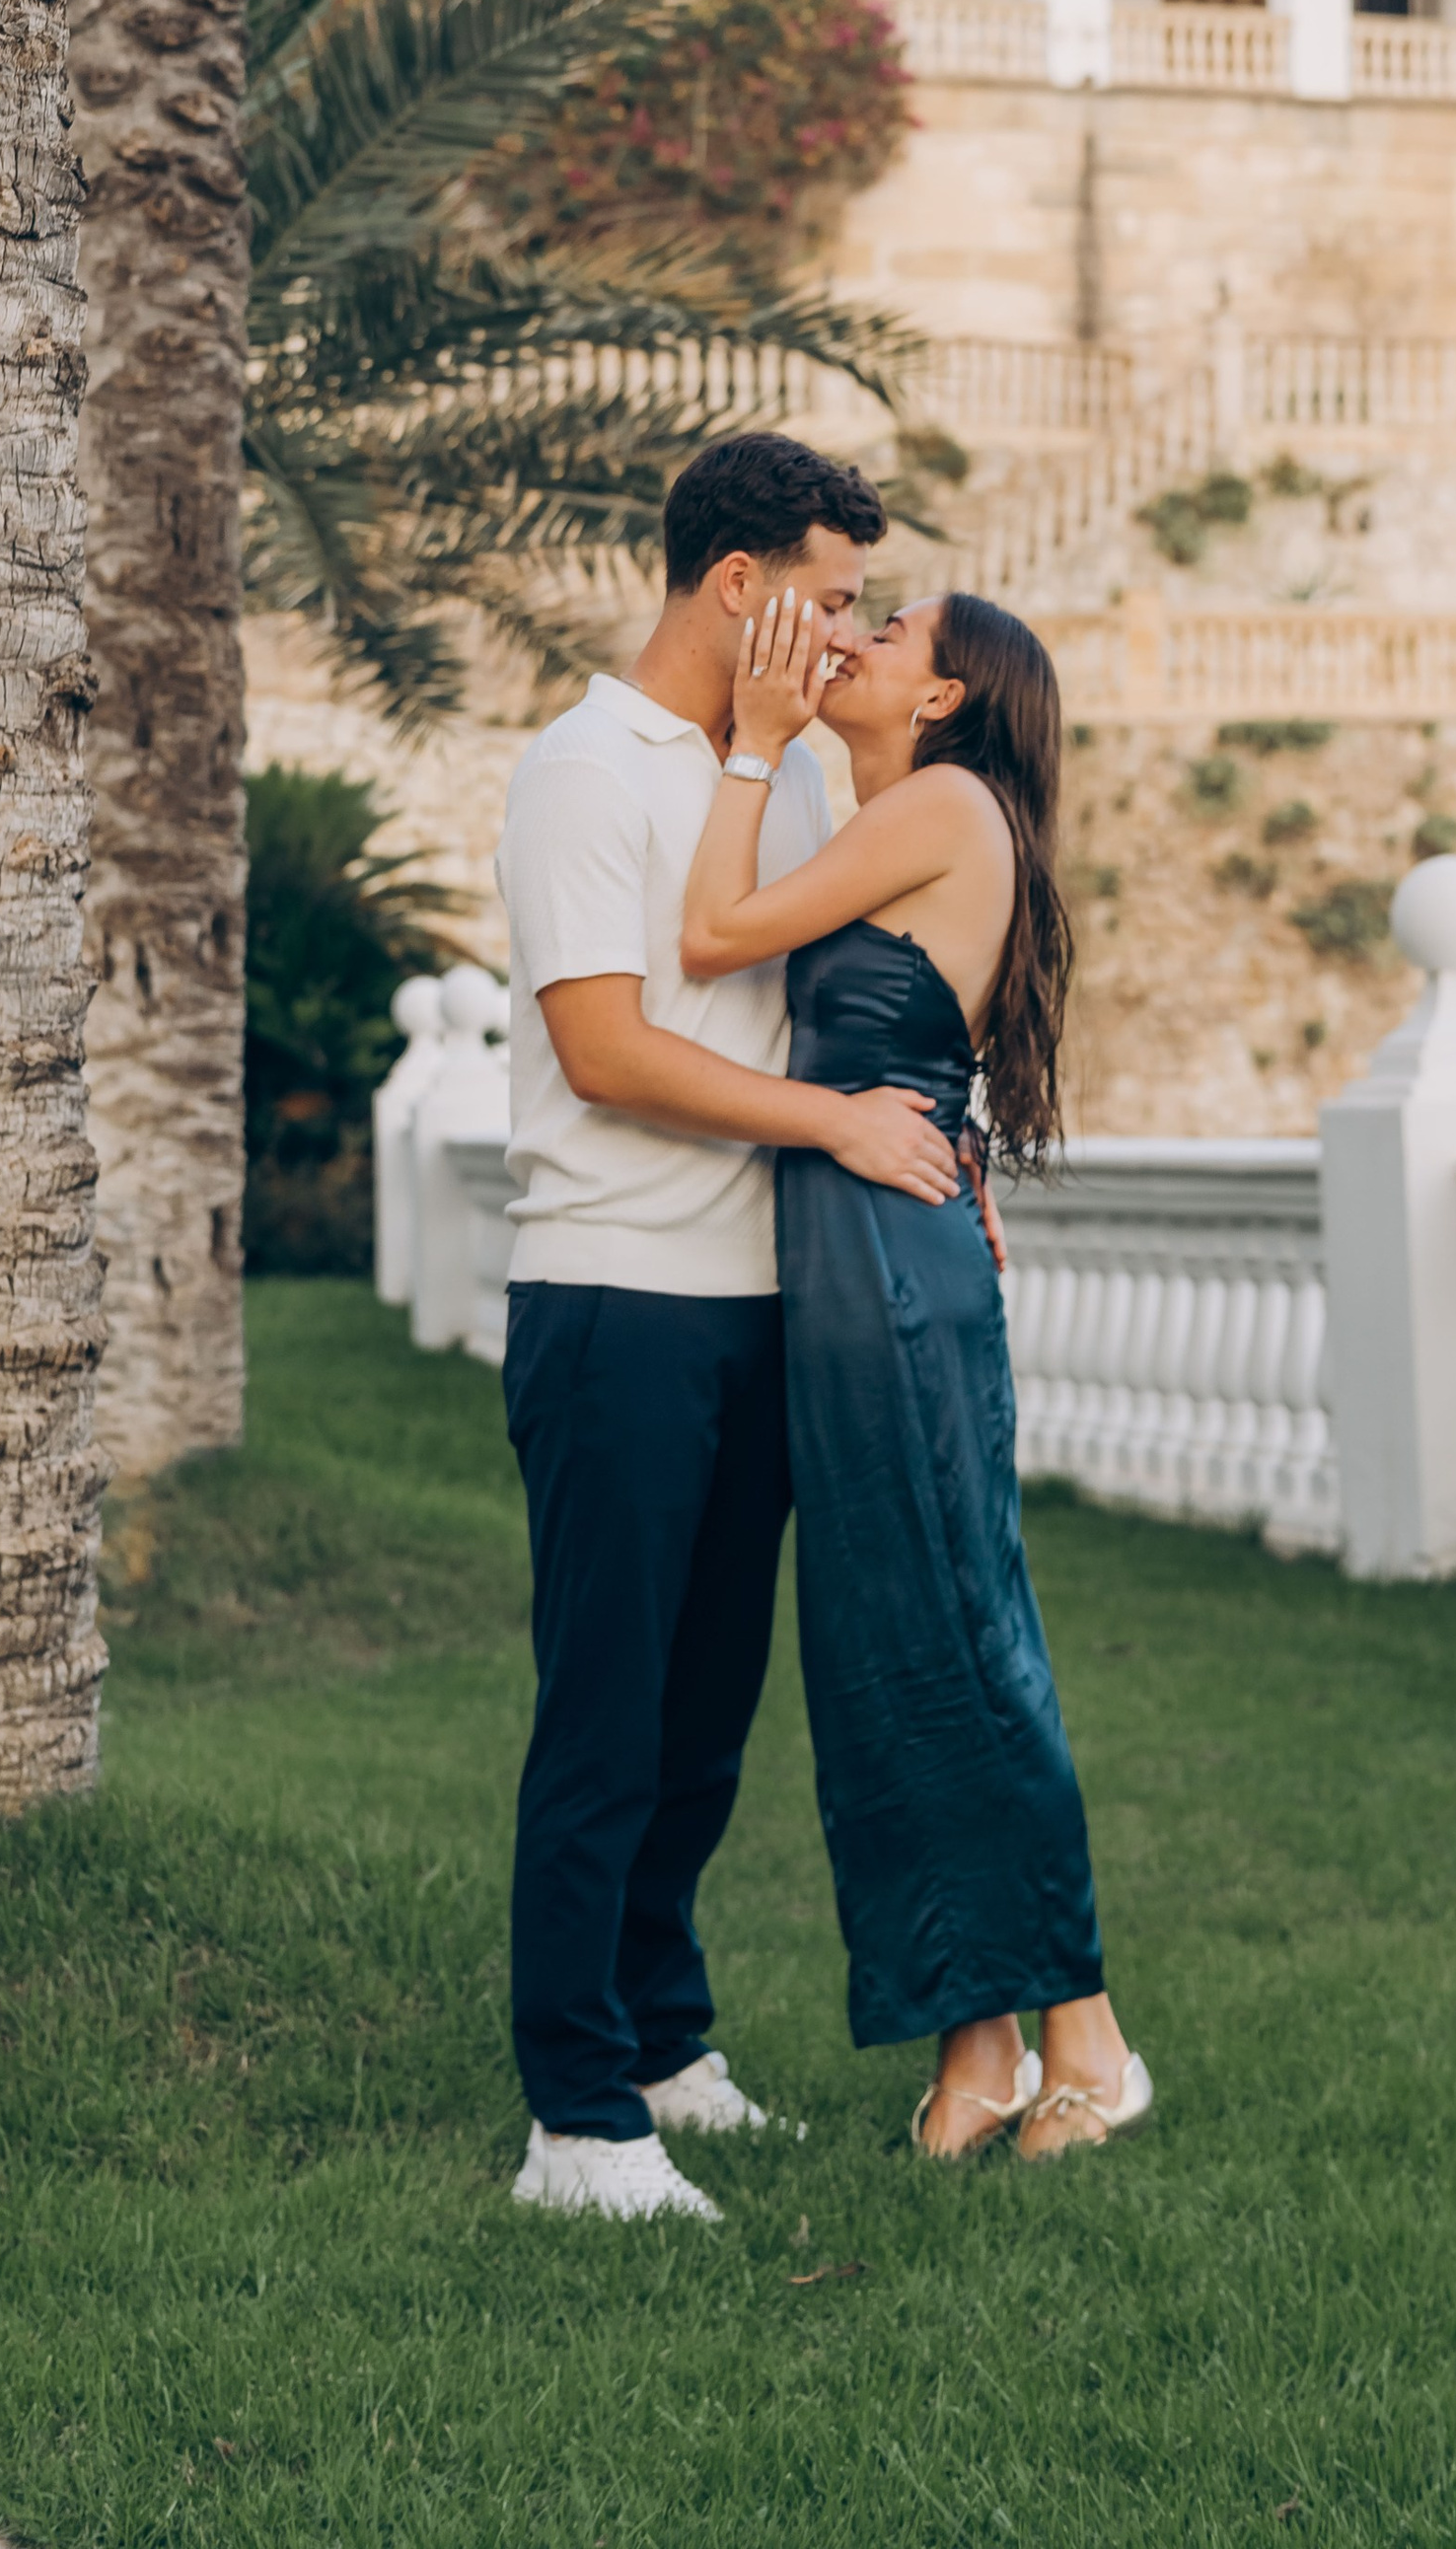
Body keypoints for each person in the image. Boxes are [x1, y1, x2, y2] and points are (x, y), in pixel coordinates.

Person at [493, 431, 965, 2226]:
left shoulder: (788, 775)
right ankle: (576, 2117)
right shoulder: (585, 770)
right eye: (833, 597)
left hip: (759, 1305)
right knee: (605, 1716)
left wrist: (924, 1133)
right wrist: (838, 1129)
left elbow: (820, 1003)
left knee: (704, 1721)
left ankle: (665, 2038)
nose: (849, 631)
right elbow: (608, 1048)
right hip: (614, 1299)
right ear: (740, 587)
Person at [680, 580, 1149, 2162]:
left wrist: (750, 745)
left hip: (889, 1265)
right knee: (887, 1650)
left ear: (944, 698)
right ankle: (979, 2042)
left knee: (959, 1629)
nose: (858, 641)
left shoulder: (940, 800)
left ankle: (1090, 2035)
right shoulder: (895, 803)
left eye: (892, 636)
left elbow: (714, 934)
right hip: (854, 1247)